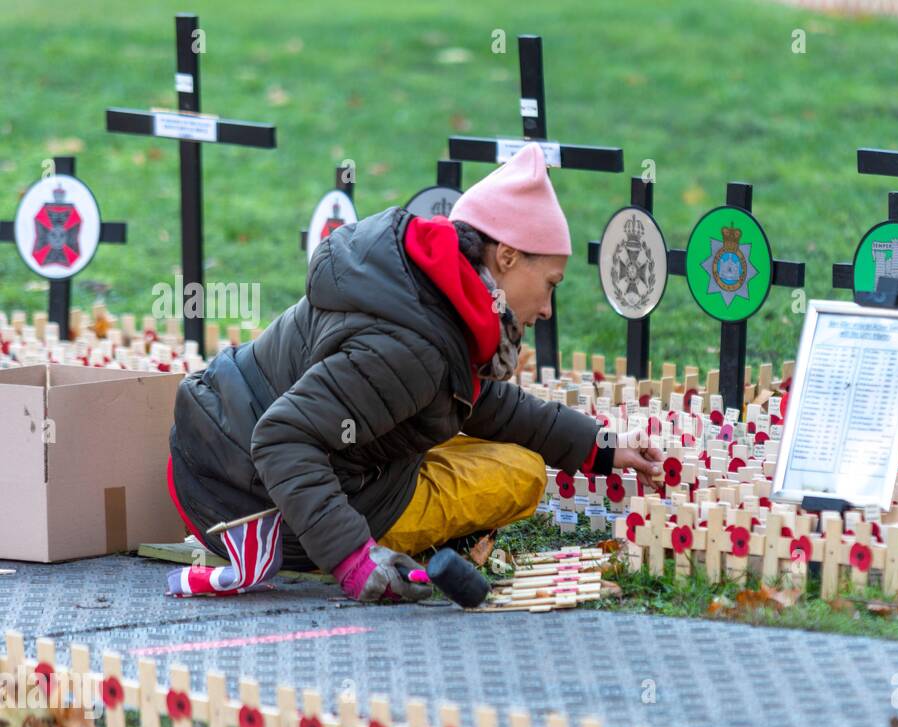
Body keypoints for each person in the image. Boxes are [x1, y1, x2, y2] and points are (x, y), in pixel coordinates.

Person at [166, 143, 663, 602]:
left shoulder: (422, 281)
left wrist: (598, 447)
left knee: (501, 450)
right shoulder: (414, 347)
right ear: (507, 257)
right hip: (249, 503)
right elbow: (282, 438)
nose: (548, 308)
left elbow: (477, 400)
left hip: (223, 452)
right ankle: (349, 543)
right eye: (550, 283)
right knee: (521, 474)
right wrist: (353, 561)